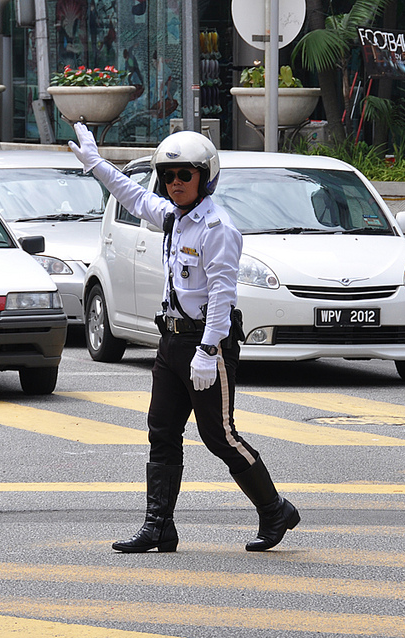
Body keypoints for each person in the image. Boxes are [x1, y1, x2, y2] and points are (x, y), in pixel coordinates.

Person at [68, 122, 300, 553]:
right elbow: (134, 197)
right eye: (168, 176)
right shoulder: (175, 219)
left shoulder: (217, 229)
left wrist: (209, 350)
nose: (174, 184)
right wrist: (98, 164)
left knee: (220, 436)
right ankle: (159, 527)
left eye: (184, 175)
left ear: (205, 177)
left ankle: (274, 510)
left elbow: (221, 295)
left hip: (206, 344)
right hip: (171, 341)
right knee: (161, 430)